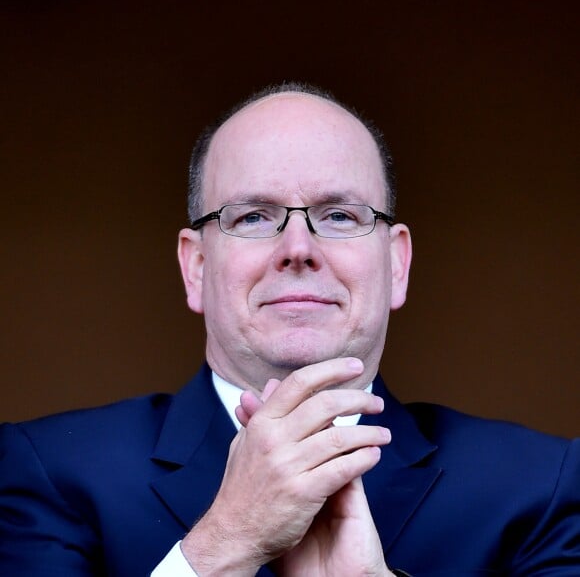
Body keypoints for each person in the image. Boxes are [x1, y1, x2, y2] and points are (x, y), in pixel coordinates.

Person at [0, 83, 578, 577]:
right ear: (196, 267)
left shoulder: (540, 489)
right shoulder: (47, 472)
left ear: (396, 265)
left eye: (339, 216)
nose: (297, 249)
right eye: (252, 216)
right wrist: (225, 544)